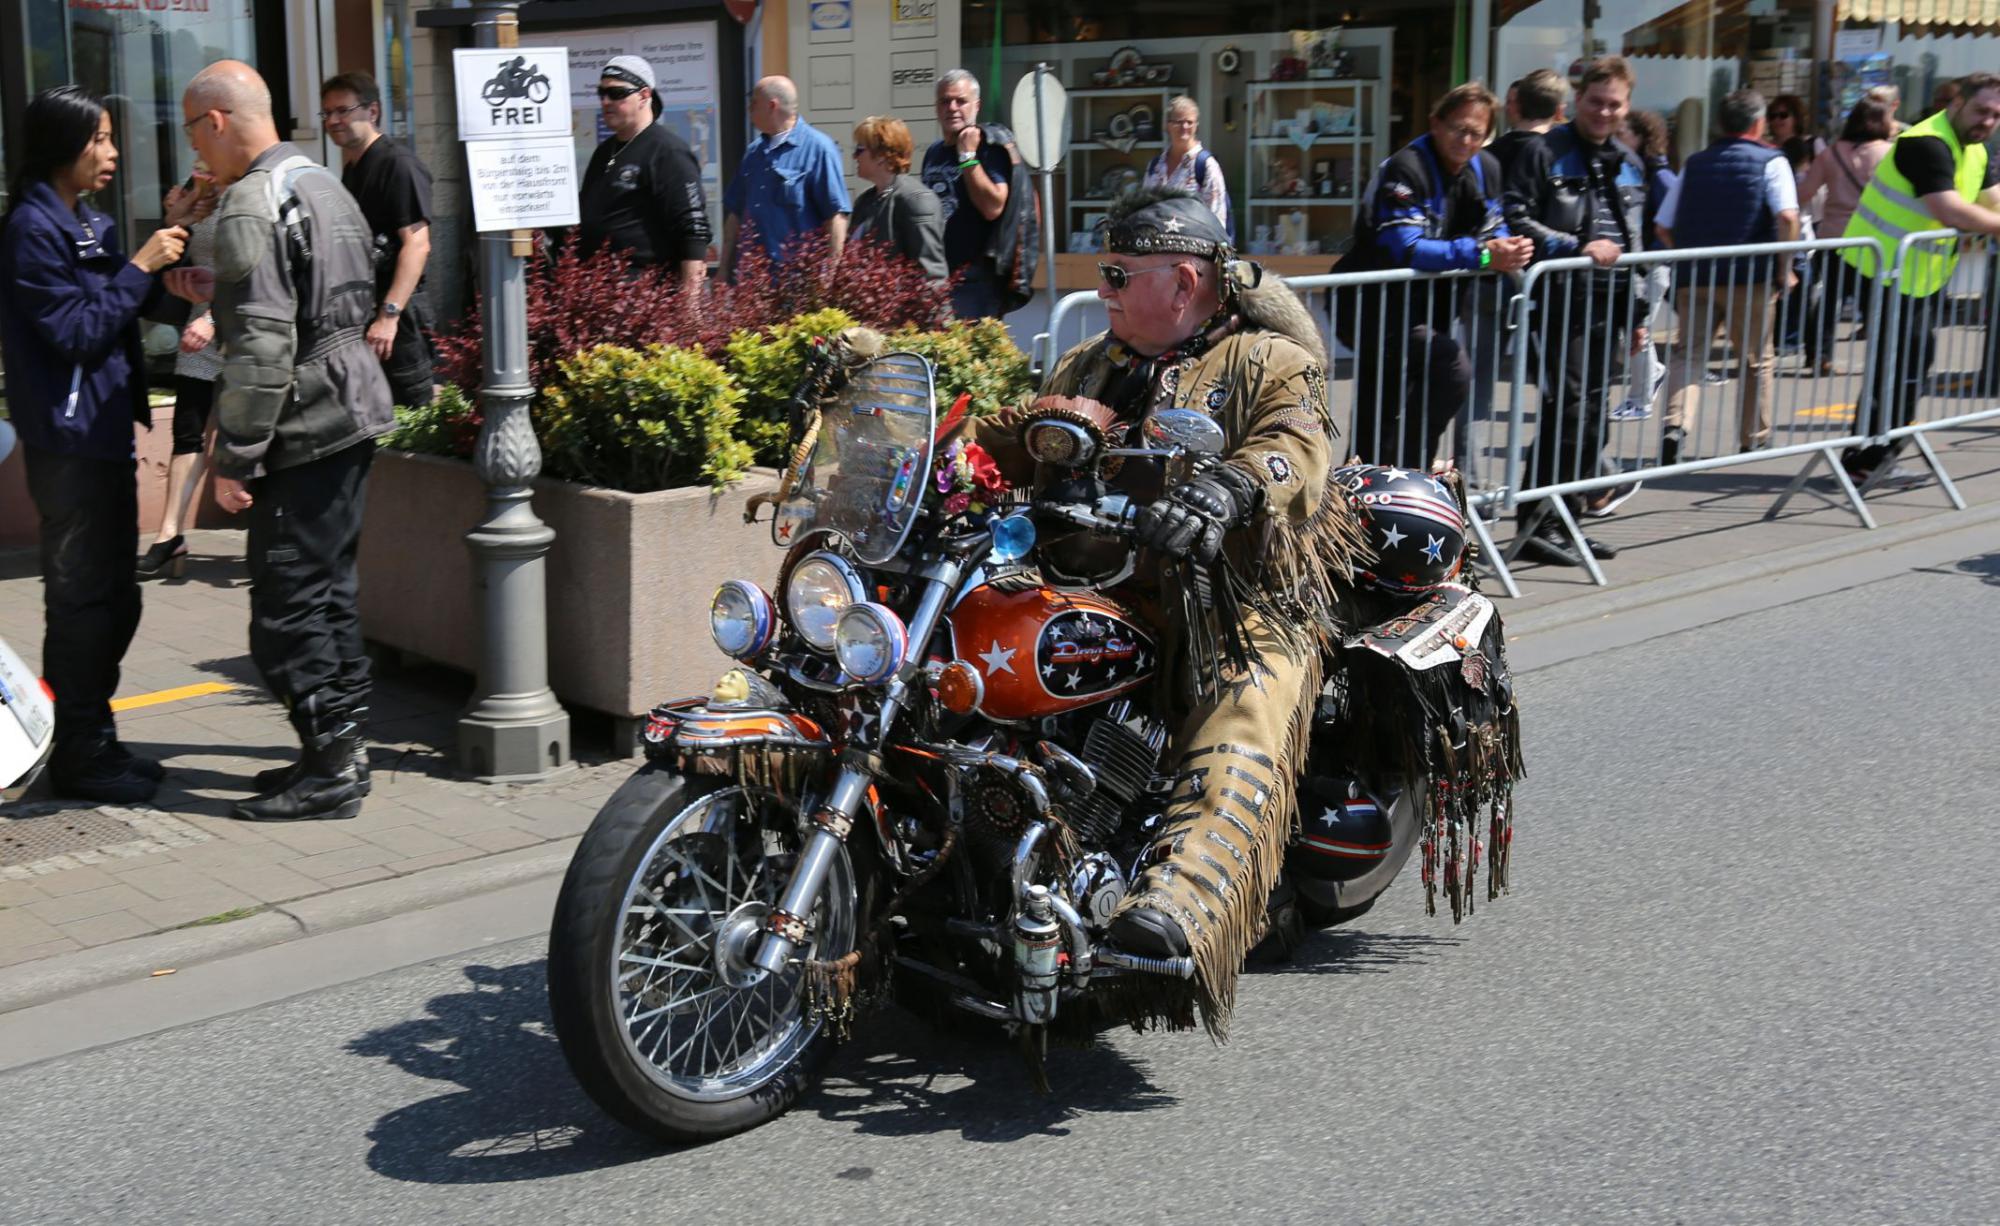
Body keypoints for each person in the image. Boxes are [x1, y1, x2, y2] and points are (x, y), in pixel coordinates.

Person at [971, 187, 1354, 1033]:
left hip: (1234, 595)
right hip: (1095, 586)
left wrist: (1229, 487)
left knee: (1249, 696)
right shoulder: (1091, 363)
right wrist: (928, 449)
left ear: (1183, 282)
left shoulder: (1267, 363)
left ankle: (1176, 915)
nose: (1101, 286)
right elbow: (1010, 435)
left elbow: (1295, 448)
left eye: (1118, 271)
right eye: (1102, 271)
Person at [166, 61, 393, 822]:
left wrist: (235, 455)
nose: (196, 147)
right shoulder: (322, 181)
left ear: (219, 122)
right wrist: (216, 288)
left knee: (288, 609)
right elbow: (320, 294)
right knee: (328, 597)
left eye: (194, 129)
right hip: (353, 406)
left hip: (305, 420)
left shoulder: (250, 201)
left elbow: (263, 348)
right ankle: (338, 755)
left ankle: (330, 768)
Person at [0, 86, 189, 803]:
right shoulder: (29, 230)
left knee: (117, 600)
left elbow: (117, 303)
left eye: (112, 139)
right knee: (82, 602)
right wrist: (140, 266)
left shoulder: (86, 222)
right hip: (69, 445)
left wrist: (170, 282)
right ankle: (79, 752)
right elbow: (77, 331)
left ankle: (93, 735)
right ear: (62, 145)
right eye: (100, 140)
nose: (112, 153)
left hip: (105, 433)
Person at [1336, 82, 1531, 469]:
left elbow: (1496, 226)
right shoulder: (1406, 166)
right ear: (1436, 124)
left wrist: (1507, 248)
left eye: (1477, 132)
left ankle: (1408, 479)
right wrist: (1481, 255)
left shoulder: (1486, 167)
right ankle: (1363, 496)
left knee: (1429, 387)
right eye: (1459, 128)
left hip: (1431, 308)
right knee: (1399, 395)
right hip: (1375, 305)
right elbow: (1406, 246)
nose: (1467, 139)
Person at [1503, 56, 1649, 566]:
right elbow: (1517, 218)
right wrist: (1576, 246)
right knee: (1564, 413)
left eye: (1615, 104)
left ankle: (1569, 519)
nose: (1604, 112)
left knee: (1592, 419)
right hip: (1560, 300)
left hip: (1610, 303)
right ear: (1577, 101)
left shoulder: (1631, 161)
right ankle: (1537, 522)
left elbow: (1637, 242)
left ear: (1627, 106)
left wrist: (1639, 313)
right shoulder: (1544, 151)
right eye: (1596, 101)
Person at [1836, 73, 2000, 485]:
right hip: (1882, 269)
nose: (1989, 121)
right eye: (1982, 110)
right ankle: (1865, 460)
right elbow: (1950, 211)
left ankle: (1879, 454)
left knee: (1910, 365)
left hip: (1918, 275)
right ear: (1956, 103)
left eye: (1997, 115)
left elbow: (1992, 199)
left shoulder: (1978, 148)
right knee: (1894, 367)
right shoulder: (1925, 143)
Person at [1653, 89, 1800, 465]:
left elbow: (1663, 224)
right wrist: (1785, 269)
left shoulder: (1695, 162)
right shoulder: (1772, 161)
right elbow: (1786, 217)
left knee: (1689, 355)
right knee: (1755, 360)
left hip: (1697, 275)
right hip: (1749, 276)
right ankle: (1754, 438)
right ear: (1758, 122)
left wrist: (1686, 253)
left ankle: (1676, 425)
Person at [322, 72, 435, 408]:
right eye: (327, 113)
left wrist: (389, 316)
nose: (333, 120)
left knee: (408, 418)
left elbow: (417, 244)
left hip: (398, 319)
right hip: (367, 318)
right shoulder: (353, 168)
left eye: (343, 110)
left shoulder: (398, 165)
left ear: (372, 112)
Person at [1470, 69, 1570, 423]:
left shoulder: (1487, 153)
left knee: (1480, 378)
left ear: (1514, 107)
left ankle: (1474, 471)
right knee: (1556, 379)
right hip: (1538, 280)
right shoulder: (1552, 154)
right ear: (1560, 109)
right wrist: (1572, 246)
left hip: (1487, 272)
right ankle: (1575, 465)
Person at [141, 167, 224, 578]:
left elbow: (262, 273)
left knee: (261, 432)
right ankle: (169, 534)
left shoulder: (255, 188)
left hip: (247, 330)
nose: (199, 153)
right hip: (199, 329)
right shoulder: (199, 191)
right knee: (187, 429)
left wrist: (214, 315)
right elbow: (169, 257)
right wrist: (174, 220)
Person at [575, 55, 710, 283]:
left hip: (645, 299)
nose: (606, 101)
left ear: (644, 95)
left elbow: (692, 229)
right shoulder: (604, 151)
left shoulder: (668, 151)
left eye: (616, 94)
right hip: (598, 295)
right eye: (602, 93)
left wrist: (690, 307)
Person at [1799, 99, 1894, 377]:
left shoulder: (1830, 154)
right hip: (1874, 241)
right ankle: (1882, 357)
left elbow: (1805, 193)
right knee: (1875, 302)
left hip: (1835, 238)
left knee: (1829, 299)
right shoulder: (1890, 153)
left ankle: (1819, 354)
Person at [721, 76, 850, 277]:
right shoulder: (753, 153)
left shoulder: (819, 149)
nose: (749, 109)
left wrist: (830, 274)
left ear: (772, 105)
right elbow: (735, 215)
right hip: (751, 283)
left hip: (796, 283)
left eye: (754, 103)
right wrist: (723, 270)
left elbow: (836, 216)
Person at [923, 69, 1016, 319]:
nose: (952, 108)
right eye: (945, 101)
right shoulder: (933, 153)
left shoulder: (989, 148)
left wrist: (967, 157)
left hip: (975, 280)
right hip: (938, 277)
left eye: (960, 101)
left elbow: (992, 207)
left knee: (971, 354)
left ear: (977, 105)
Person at [1612, 109, 1676, 423]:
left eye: (1623, 132)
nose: (1618, 138)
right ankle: (1650, 379)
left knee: (1636, 332)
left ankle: (1641, 397)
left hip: (1651, 266)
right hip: (1641, 266)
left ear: (1641, 137)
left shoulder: (1660, 175)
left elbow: (1670, 221)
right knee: (1634, 331)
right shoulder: (1634, 171)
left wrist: (1651, 254)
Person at [848, 116, 946, 281]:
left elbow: (932, 276)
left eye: (859, 149)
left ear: (881, 156)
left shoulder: (917, 200)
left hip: (901, 305)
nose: (854, 156)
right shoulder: (864, 201)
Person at [1143, 96, 1231, 233]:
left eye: (1189, 122)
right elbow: (1144, 210)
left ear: (1196, 125)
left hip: (1194, 249)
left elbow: (1217, 219)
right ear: (1167, 125)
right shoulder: (1155, 166)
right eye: (1178, 122)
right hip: (1158, 249)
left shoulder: (1206, 166)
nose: (1184, 127)